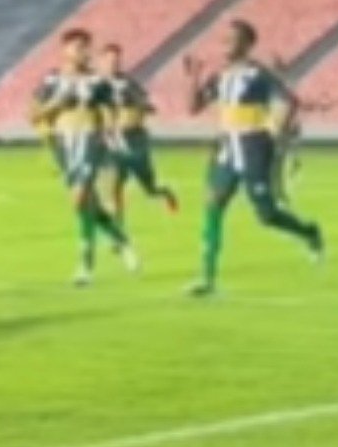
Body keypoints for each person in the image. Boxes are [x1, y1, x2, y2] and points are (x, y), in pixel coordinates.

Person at [184, 19, 324, 298]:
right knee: (213, 203)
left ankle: (308, 232)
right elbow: (194, 108)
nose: (225, 45)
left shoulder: (258, 74)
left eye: (232, 39)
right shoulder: (220, 76)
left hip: (253, 146)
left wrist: (274, 131)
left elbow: (288, 101)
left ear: (247, 44)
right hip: (225, 147)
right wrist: (193, 77)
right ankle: (207, 279)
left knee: (266, 214)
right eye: (223, 39)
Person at [31, 29, 139, 287]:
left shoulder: (97, 82)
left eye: (86, 47)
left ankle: (85, 266)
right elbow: (34, 114)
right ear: (65, 50)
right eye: (78, 47)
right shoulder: (52, 80)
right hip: (63, 145)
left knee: (80, 196)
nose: (83, 52)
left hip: (89, 140)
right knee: (84, 204)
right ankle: (120, 240)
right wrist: (58, 104)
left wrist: (110, 133)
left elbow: (111, 110)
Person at [97, 43, 178, 230]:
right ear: (101, 61)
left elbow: (145, 105)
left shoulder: (127, 84)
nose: (113, 64)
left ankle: (164, 193)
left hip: (135, 142)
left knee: (149, 189)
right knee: (114, 186)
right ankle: (119, 231)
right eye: (109, 60)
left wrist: (135, 111)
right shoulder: (95, 85)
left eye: (116, 61)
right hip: (113, 143)